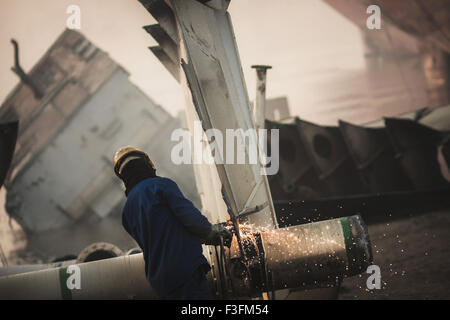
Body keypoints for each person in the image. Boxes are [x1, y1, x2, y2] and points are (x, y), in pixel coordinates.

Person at [113, 146, 232, 299]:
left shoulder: (126, 212)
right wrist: (214, 233)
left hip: (160, 282)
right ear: (147, 164)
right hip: (184, 269)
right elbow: (191, 220)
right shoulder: (160, 186)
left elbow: (161, 235)